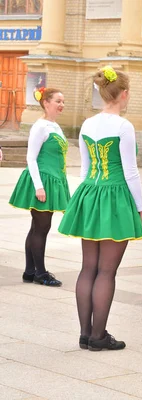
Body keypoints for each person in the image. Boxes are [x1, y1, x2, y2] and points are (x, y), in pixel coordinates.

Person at [58, 66, 142, 351]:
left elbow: (86, 169)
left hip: (91, 192)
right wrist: (140, 209)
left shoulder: (87, 124)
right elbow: (131, 172)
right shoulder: (124, 126)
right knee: (106, 271)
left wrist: (85, 199)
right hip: (115, 197)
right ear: (123, 94)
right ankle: (98, 336)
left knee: (88, 267)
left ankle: (86, 333)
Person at [9, 87, 69, 288]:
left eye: (62, 102)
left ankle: (29, 271)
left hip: (53, 179)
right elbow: (31, 158)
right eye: (58, 101)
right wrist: (39, 187)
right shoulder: (40, 126)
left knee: (37, 227)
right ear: (46, 103)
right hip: (42, 181)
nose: (61, 105)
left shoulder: (55, 126)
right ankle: (40, 273)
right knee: (41, 228)